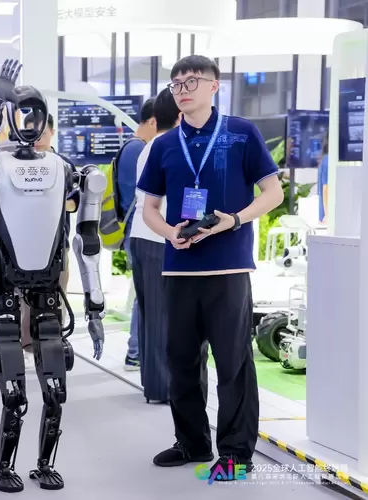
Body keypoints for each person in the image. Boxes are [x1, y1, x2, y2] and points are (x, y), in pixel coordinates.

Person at [138, 55, 284, 477]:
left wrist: (234, 220)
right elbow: (148, 208)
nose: (182, 90)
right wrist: (170, 233)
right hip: (179, 267)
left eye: (191, 81)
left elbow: (272, 192)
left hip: (228, 267)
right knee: (180, 359)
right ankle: (192, 443)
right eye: (176, 84)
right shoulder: (164, 144)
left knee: (233, 362)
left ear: (214, 86)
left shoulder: (241, 133)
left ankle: (236, 454)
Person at [129, 88, 181, 404]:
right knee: (161, 315)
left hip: (143, 236)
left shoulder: (150, 147)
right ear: (179, 114)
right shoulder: (166, 146)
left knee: (151, 314)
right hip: (156, 237)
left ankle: (155, 384)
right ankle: (163, 387)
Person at [20, 112, 78, 369]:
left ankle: (54, 344)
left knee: (57, 294)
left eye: (42, 133)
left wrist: (47, 202)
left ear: (52, 132)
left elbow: (74, 203)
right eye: (31, 133)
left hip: (57, 243)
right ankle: (26, 347)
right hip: (22, 243)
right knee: (24, 297)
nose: (37, 139)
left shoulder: (64, 164)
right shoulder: (16, 164)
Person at [116, 98, 156, 372]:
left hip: (134, 229)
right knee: (145, 294)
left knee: (143, 293)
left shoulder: (130, 147)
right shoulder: (139, 150)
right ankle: (136, 352)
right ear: (152, 121)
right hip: (140, 230)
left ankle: (137, 351)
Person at [318, 139, 328, 224]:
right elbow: (326, 189)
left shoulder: (325, 160)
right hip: (326, 218)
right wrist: (327, 215)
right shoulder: (328, 161)